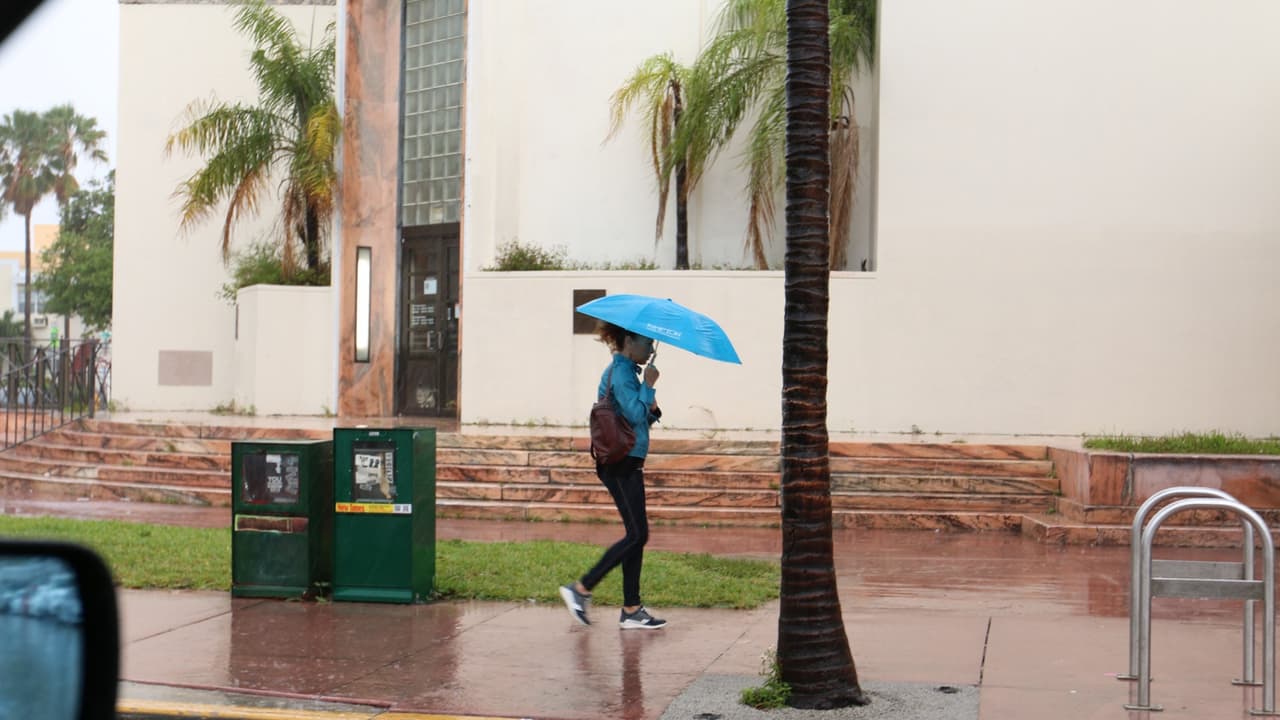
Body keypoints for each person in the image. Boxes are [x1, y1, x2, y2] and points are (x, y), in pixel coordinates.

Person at [559, 321, 667, 629]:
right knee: (638, 534)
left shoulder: (626, 373)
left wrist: (649, 398)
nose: (650, 349)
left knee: (636, 535)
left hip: (627, 461)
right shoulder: (621, 373)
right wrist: (649, 384)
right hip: (621, 463)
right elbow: (635, 415)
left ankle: (632, 609)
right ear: (629, 341)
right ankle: (581, 588)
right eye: (647, 343)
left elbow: (643, 414)